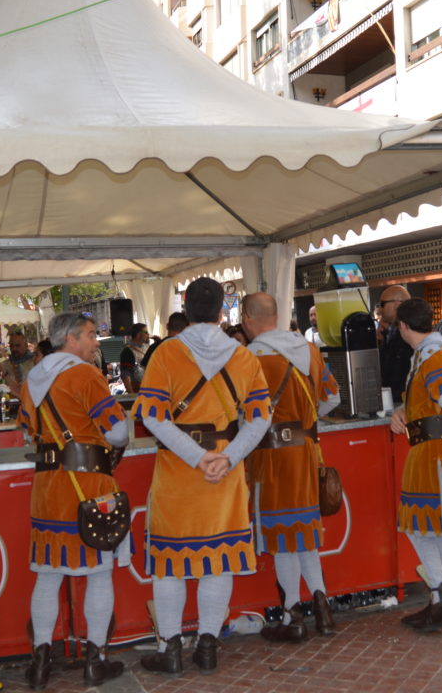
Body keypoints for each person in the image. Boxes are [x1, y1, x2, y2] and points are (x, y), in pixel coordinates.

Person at [131, 277, 272, 676]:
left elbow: (151, 416)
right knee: (219, 561)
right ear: (222, 310)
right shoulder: (243, 356)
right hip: (225, 473)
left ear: (187, 308)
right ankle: (208, 645)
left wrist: (196, 457)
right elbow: (261, 417)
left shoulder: (166, 354)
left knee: (170, 564)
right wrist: (226, 458)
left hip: (178, 472)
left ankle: (170, 648)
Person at [18, 313, 130, 688]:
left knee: (47, 576)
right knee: (99, 572)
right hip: (88, 486)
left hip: (48, 489)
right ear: (69, 339)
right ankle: (95, 660)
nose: (96, 343)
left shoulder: (31, 381)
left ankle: (40, 663)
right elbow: (117, 432)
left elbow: (26, 433)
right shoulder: (85, 375)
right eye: (90, 335)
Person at [241, 292, 341, 642]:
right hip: (308, 452)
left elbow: (243, 417)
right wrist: (306, 421)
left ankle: (291, 616)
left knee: (283, 539)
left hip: (271, 458)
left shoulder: (250, 358)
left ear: (247, 318)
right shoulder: (308, 350)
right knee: (305, 536)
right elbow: (332, 397)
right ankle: (323, 608)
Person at [388, 298, 442, 633]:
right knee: (440, 527)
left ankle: (441, 596)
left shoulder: (434, 353)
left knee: (418, 526)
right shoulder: (432, 351)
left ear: (404, 326)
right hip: (438, 448)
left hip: (434, 452)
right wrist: (405, 412)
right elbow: (430, 399)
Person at [378, 285, 414, 408]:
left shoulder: (410, 332)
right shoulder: (390, 332)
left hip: (404, 402)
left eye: (382, 304)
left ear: (396, 304)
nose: (380, 309)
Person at [119, 323, 150, 393]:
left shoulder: (147, 347)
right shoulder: (127, 351)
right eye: (146, 332)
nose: (148, 334)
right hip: (138, 390)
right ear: (138, 334)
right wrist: (131, 395)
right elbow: (125, 375)